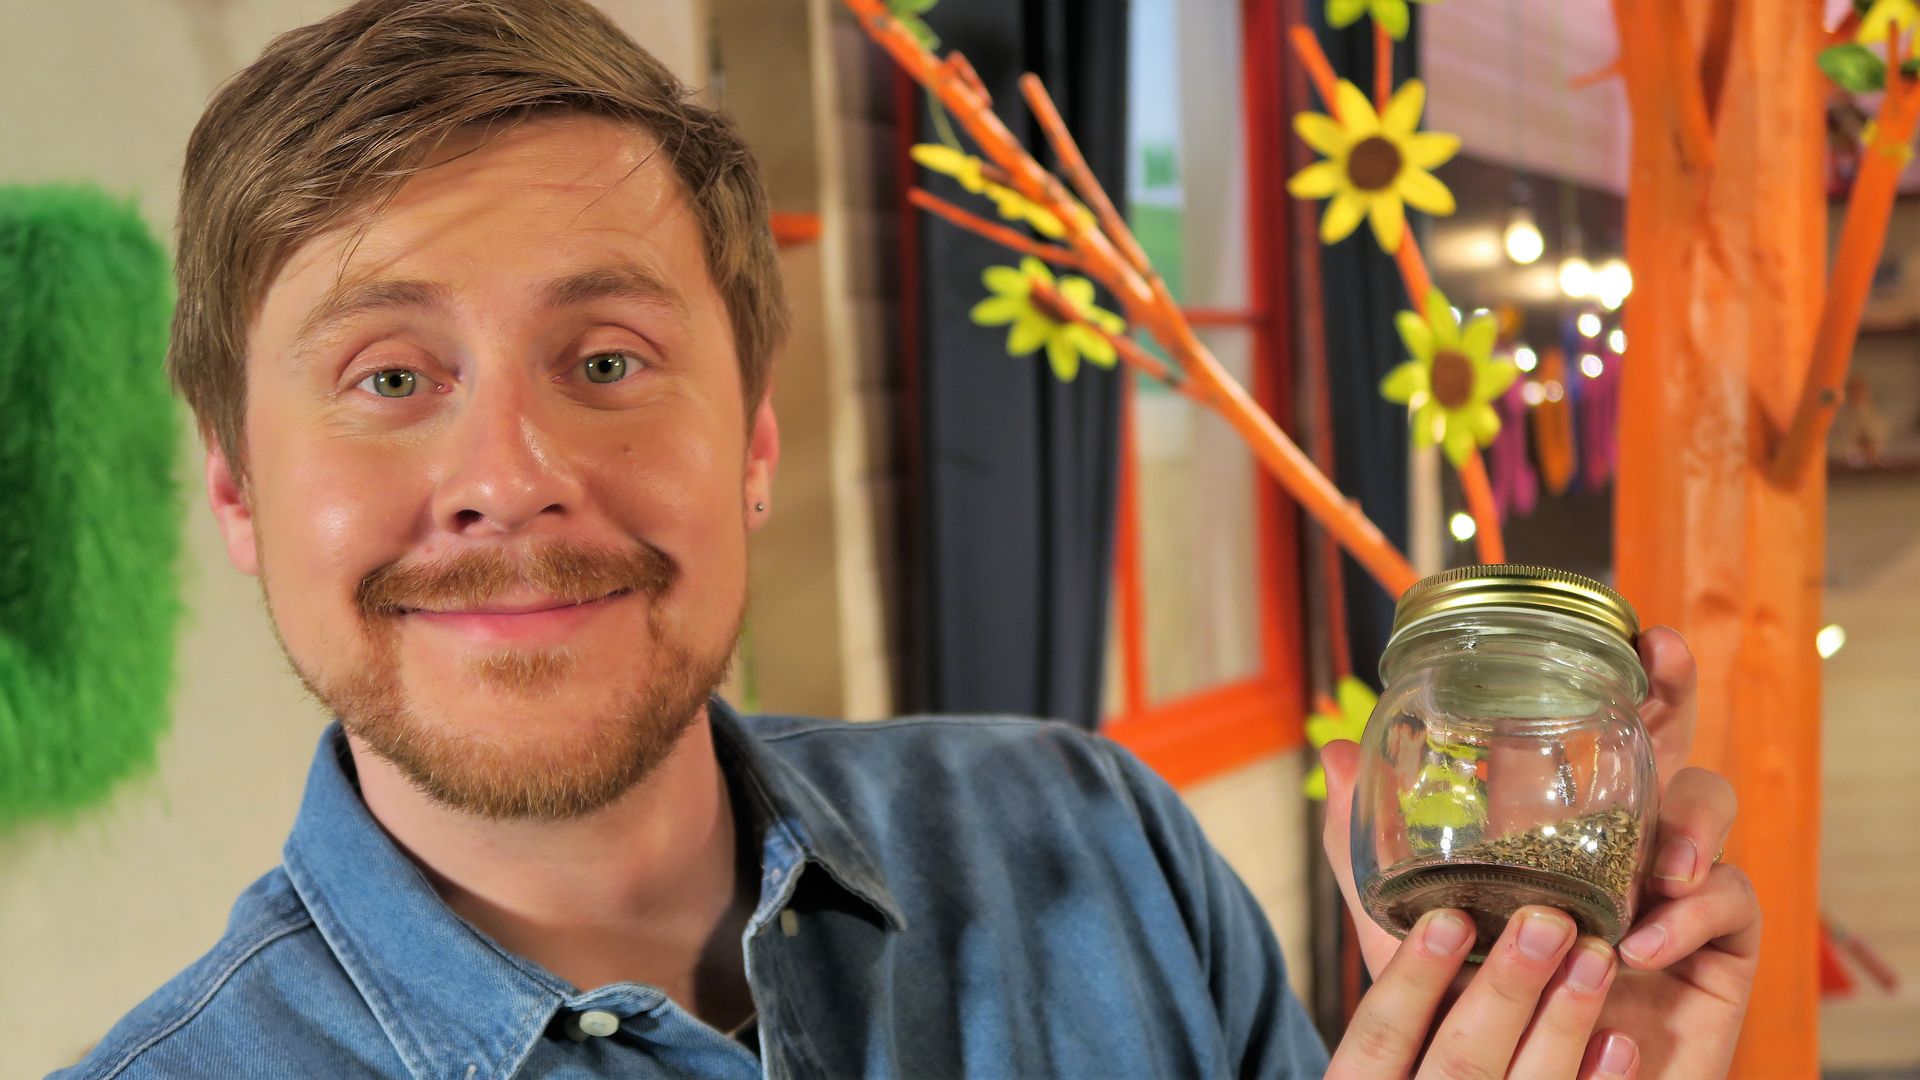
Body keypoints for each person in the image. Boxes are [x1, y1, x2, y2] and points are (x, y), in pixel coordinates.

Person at [56, 1, 1758, 1076]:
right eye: (389, 376)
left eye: (608, 361)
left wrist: (1537, 1036)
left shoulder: (1100, 846)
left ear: (756, 439)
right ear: (237, 488)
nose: (511, 475)